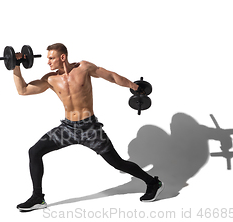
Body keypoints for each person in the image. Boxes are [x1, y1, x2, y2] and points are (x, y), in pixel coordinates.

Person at [14, 43, 164, 212]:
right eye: (48, 58)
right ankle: (37, 198)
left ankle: (153, 183)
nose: (48, 62)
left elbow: (111, 76)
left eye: (51, 58)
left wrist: (135, 87)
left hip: (90, 129)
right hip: (67, 129)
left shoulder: (84, 68)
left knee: (117, 163)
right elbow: (23, 90)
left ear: (62, 57)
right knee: (34, 151)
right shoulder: (50, 79)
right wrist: (15, 65)